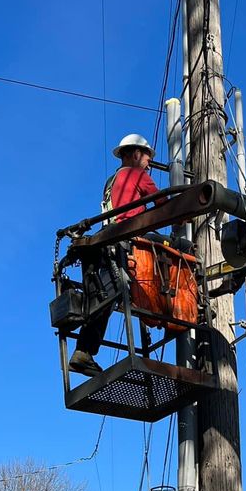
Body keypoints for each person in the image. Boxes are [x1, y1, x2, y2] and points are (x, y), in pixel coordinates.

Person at [69, 133, 159, 376]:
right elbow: (163, 203)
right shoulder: (137, 174)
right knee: (177, 251)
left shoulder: (111, 180)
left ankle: (83, 351)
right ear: (134, 154)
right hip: (127, 241)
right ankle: (185, 313)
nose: (149, 164)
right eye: (147, 158)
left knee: (106, 296)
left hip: (107, 241)